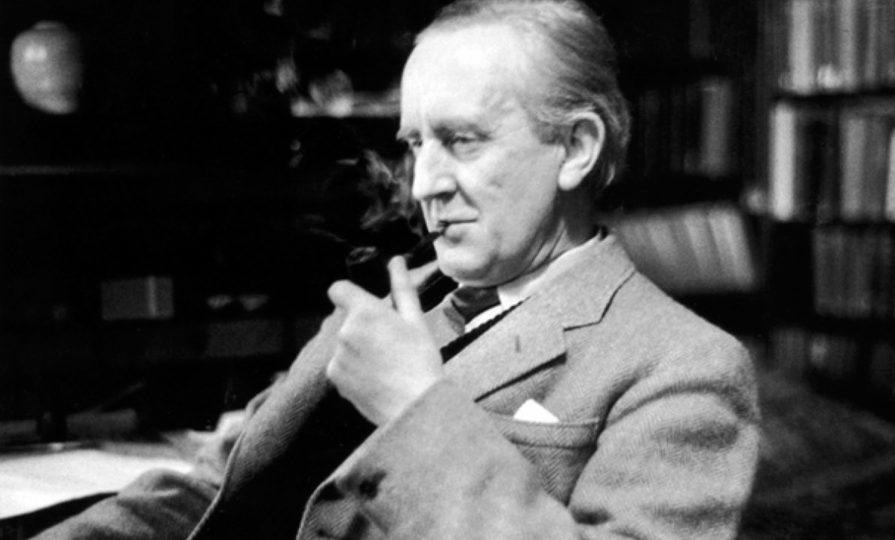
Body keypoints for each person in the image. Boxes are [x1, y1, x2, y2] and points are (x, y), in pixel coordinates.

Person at [33, 0, 759, 538]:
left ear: (575, 149)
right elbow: (213, 490)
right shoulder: (394, 305)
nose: (423, 185)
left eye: (462, 140)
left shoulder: (683, 366)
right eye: (415, 145)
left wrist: (416, 407)